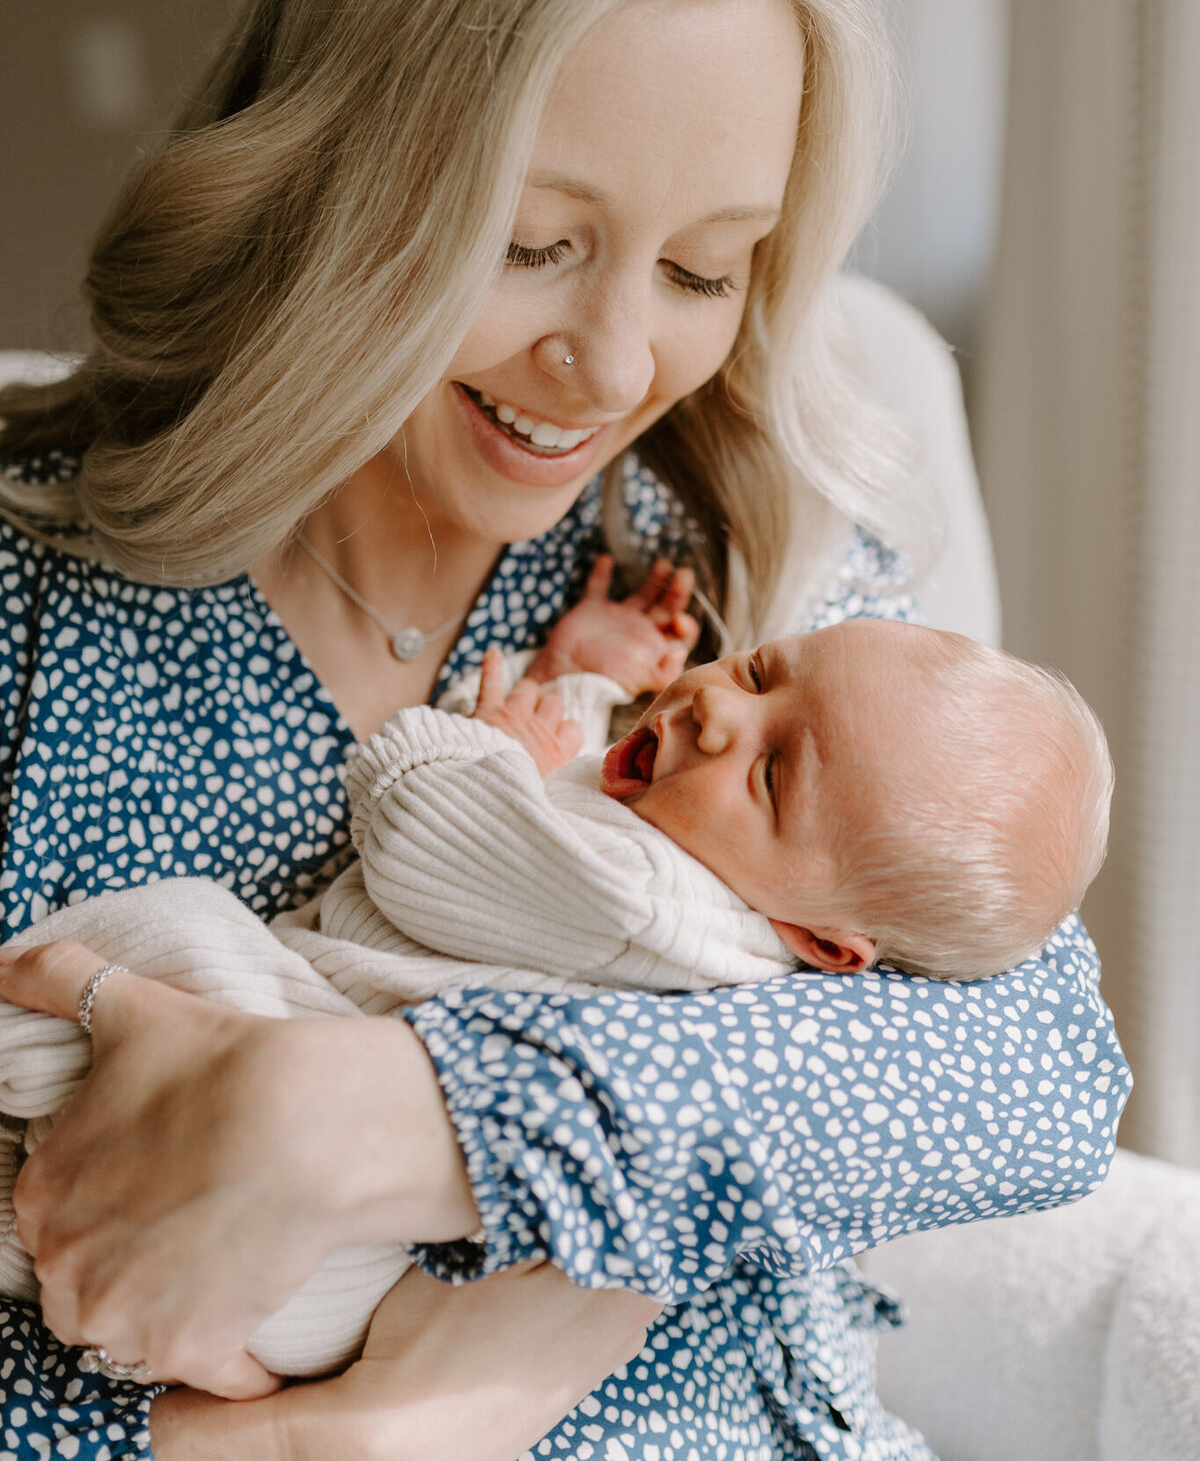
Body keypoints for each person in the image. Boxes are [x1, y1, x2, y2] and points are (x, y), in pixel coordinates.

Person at [0, 0, 1128, 1461]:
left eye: (702, 269)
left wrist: (381, 1115)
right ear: (323, 169)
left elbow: (1035, 1074)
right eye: (530, 242)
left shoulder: (740, 570)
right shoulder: (41, 613)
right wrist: (323, 1444)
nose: (612, 363)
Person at [0, 582, 1114, 1384]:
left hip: (277, 1069)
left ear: (825, 943)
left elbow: (433, 839)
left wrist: (459, 744)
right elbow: (574, 782)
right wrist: (583, 672)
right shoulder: (698, 871)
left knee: (177, 933)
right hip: (329, 1283)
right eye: (766, 669)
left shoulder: (641, 891)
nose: (720, 709)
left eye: (773, 772)